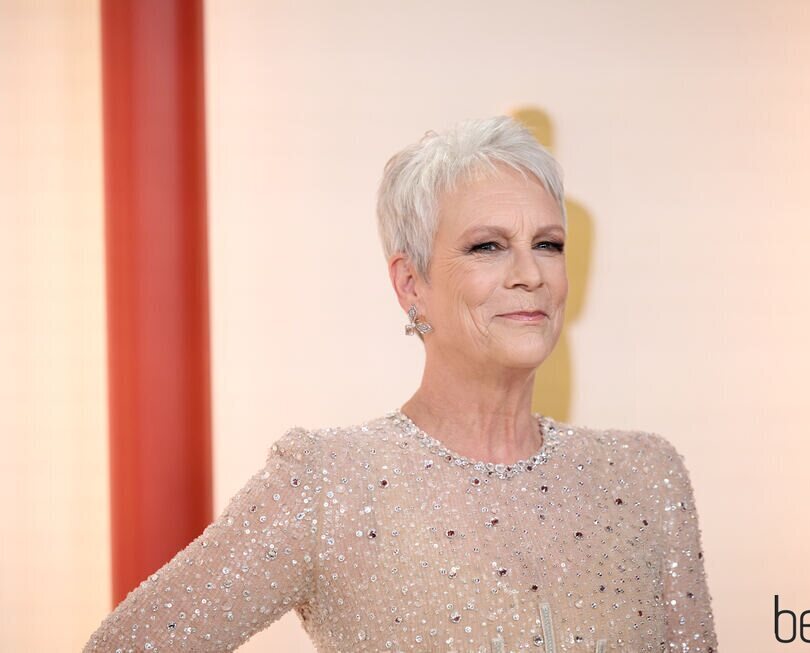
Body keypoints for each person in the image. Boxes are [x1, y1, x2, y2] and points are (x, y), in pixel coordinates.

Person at [82, 116, 718, 652]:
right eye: (488, 247)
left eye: (548, 244)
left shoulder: (644, 477)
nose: (530, 272)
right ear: (411, 284)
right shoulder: (329, 482)